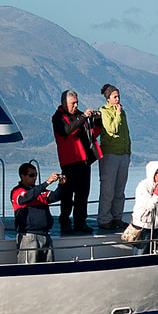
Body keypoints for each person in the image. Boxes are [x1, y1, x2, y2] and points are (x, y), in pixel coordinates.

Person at [52, 89, 102, 234]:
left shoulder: (80, 115)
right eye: (72, 103)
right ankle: (65, 220)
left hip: (84, 161)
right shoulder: (58, 117)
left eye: (76, 103)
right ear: (64, 103)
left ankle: (80, 222)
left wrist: (97, 120)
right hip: (69, 161)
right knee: (67, 194)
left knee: (83, 194)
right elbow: (66, 130)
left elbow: (92, 134)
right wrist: (83, 118)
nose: (75, 106)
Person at [11, 163, 64, 263]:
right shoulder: (17, 191)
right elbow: (25, 198)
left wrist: (61, 185)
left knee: (48, 268)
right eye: (31, 175)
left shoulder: (39, 191)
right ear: (22, 176)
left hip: (45, 235)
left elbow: (55, 196)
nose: (34, 178)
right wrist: (47, 182)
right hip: (29, 236)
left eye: (36, 175)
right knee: (29, 269)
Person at [97, 84, 132, 230]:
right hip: (110, 153)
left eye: (118, 96)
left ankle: (117, 217)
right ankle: (104, 218)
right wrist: (117, 114)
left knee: (120, 189)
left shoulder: (121, 111)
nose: (118, 99)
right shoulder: (104, 112)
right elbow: (112, 129)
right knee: (108, 188)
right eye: (115, 97)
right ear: (108, 98)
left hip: (123, 153)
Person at [129, 161, 158, 255]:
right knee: (139, 255)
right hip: (142, 227)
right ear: (153, 173)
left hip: (157, 227)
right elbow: (149, 206)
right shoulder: (143, 186)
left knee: (154, 254)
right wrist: (157, 194)